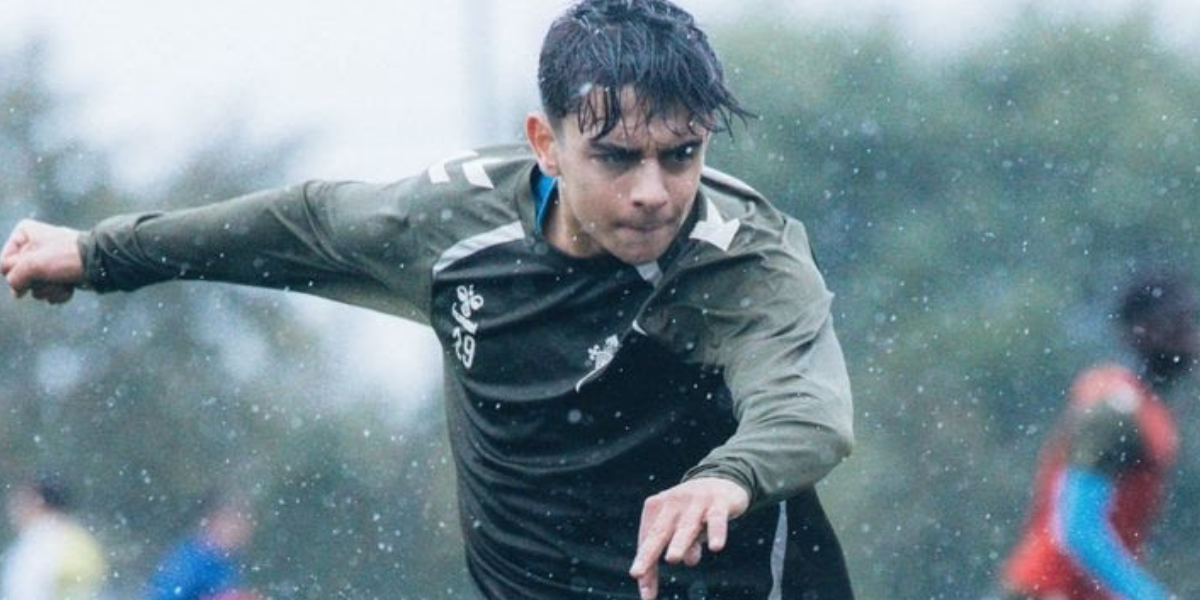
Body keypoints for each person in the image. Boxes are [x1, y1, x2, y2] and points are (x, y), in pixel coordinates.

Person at [1, 1, 856, 598]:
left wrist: (726, 479)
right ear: (546, 145)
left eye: (681, 155)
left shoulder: (743, 258)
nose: (653, 191)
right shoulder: (454, 226)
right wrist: (96, 252)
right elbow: (300, 224)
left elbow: (807, 408)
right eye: (617, 157)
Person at [995, 272, 1197, 600]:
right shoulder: (1116, 412)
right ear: (1141, 332)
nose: (1190, 339)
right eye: (1178, 325)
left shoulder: (1145, 411)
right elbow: (1076, 528)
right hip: (1048, 591)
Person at [1, 474, 108, 600]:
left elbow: (22, 593)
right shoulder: (82, 541)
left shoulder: (38, 543)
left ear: (36, 503)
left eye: (21, 501)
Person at [145, 492, 255, 600]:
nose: (239, 531)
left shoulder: (227, 564)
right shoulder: (189, 561)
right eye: (233, 523)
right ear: (215, 520)